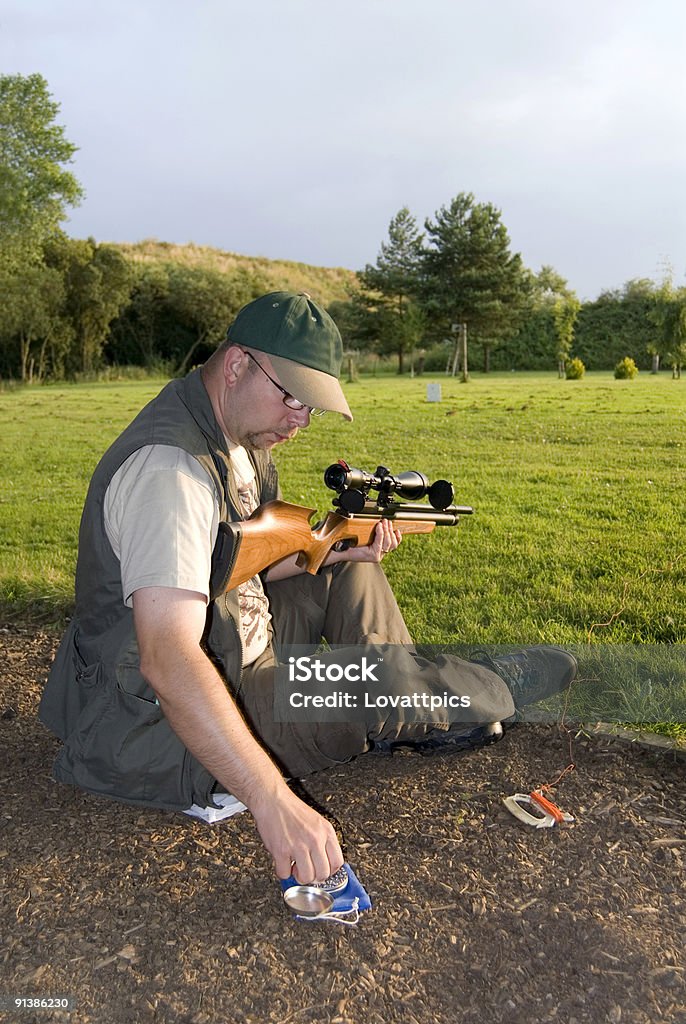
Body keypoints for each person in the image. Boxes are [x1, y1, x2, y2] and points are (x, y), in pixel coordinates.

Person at [40, 291, 577, 886]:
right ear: (239, 365)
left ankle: (408, 704)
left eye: (311, 407)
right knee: (385, 678)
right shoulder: (170, 472)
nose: (299, 421)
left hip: (236, 648)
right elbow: (167, 659)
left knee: (353, 569)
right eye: (292, 397)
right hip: (166, 727)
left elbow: (228, 563)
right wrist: (273, 800)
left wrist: (333, 547)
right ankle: (480, 685)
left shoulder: (235, 434)